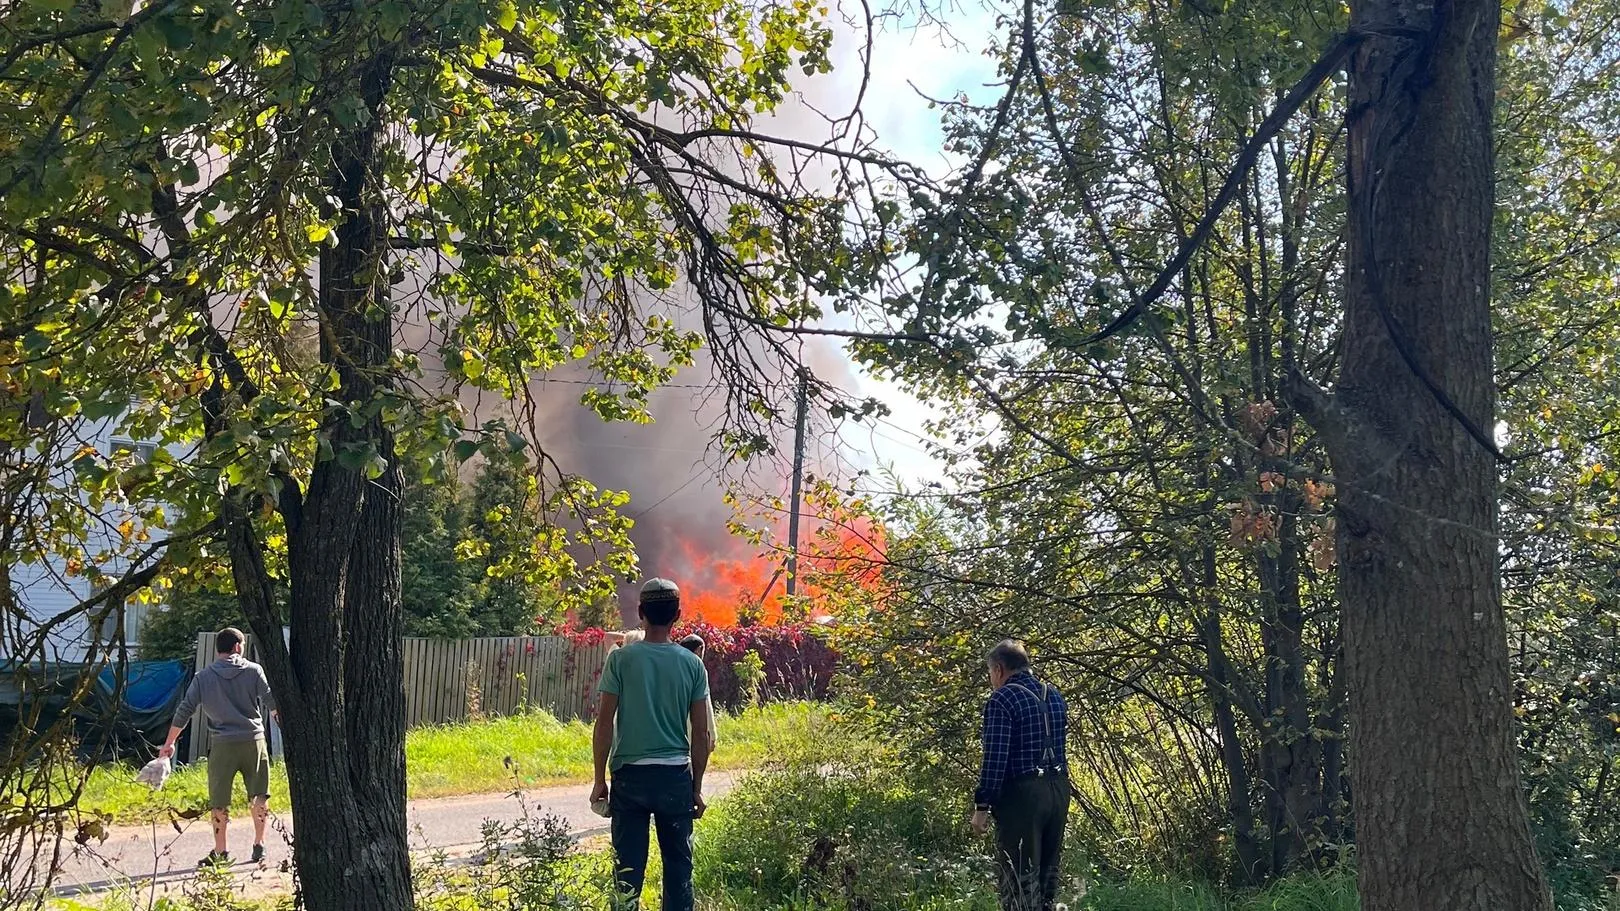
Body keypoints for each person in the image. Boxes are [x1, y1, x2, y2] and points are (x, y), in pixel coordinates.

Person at [592, 579, 714, 911]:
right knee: (678, 870)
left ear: (640, 613)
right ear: (677, 615)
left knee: (627, 872)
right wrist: (696, 786)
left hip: (629, 779)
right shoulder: (693, 664)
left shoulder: (620, 660)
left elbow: (604, 723)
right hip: (675, 779)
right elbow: (701, 735)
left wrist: (599, 780)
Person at [159, 627, 277, 868]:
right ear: (237, 647)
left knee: (219, 800)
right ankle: (259, 845)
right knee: (259, 794)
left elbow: (185, 710)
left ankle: (221, 851)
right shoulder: (254, 671)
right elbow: (271, 702)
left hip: (223, 744)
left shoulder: (203, 677)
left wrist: (169, 743)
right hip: (253, 740)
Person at [971, 640, 1070, 911]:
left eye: (990, 672)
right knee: (1047, 879)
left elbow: (995, 758)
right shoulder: (1054, 695)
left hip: (1023, 796)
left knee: (1018, 880)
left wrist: (982, 806)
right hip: (1059, 790)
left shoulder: (1003, 698)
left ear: (999, 669)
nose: (992, 679)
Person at [677, 634, 718, 754]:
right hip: (694, 724)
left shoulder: (672, 666)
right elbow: (706, 702)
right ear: (699, 649)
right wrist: (712, 732)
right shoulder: (698, 668)